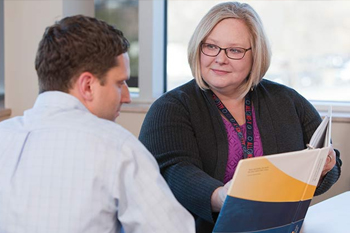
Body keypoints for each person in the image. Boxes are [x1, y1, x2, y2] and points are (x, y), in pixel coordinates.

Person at [139, 2, 342, 233]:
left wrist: (325, 167)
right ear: (198, 48)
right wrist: (221, 196)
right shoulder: (171, 107)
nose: (220, 58)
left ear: (256, 56)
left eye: (234, 50)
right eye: (211, 46)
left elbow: (330, 166)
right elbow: (173, 171)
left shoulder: (288, 101)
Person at [0, 15, 195, 233]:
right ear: (88, 86)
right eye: (120, 83)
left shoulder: (3, 136)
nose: (127, 97)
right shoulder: (117, 147)